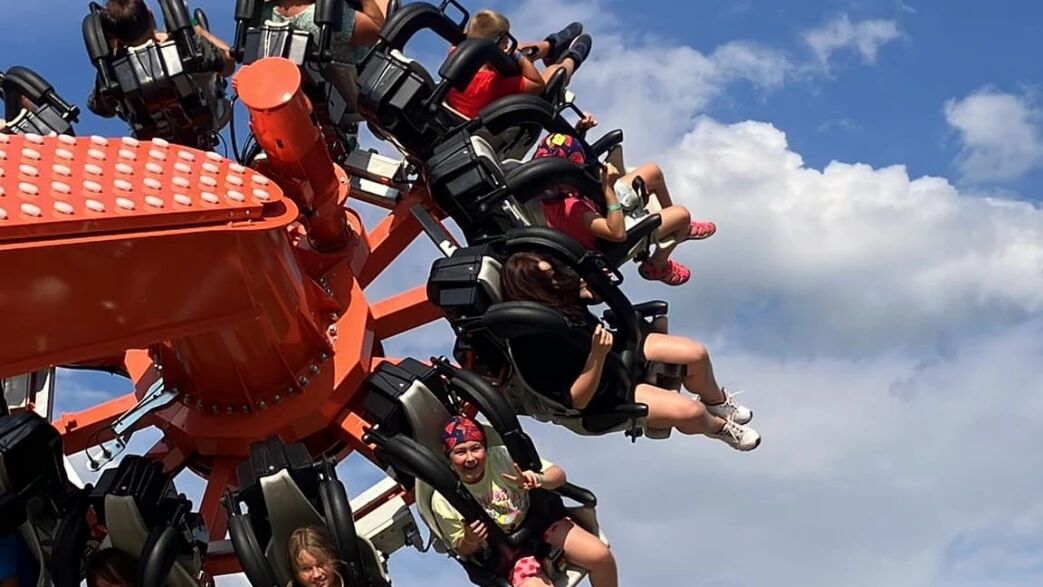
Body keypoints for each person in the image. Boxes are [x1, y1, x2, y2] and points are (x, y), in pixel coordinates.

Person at [501, 251, 760, 450]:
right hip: (601, 395)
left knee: (696, 354)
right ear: (533, 288)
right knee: (691, 412)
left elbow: (588, 294)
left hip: (610, 354)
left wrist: (596, 283)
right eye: (552, 277)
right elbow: (575, 401)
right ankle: (718, 427)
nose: (560, 279)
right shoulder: (531, 344)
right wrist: (597, 356)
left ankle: (717, 403)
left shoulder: (558, 298)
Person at [431, 416, 618, 587]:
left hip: (541, 523)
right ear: (449, 457)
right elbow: (462, 550)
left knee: (600, 556)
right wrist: (471, 539)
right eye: (460, 452)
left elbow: (558, 475)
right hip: (507, 552)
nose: (470, 458)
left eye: (475, 449)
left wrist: (539, 479)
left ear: (485, 449)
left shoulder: (503, 458)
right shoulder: (444, 498)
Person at [532, 126, 716, 286]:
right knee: (682, 215)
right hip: (611, 236)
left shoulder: (548, 191)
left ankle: (675, 227)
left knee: (653, 172)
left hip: (599, 207)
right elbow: (616, 234)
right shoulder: (572, 208)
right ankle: (658, 263)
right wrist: (608, 189)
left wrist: (581, 131)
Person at [87, 0, 235, 118]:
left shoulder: (114, 71)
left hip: (152, 137)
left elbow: (102, 109)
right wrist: (200, 32)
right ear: (150, 15)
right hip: (206, 116)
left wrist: (111, 52)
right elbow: (229, 66)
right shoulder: (186, 48)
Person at [445, 10, 592, 119]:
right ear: (502, 40)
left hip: (461, 108)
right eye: (506, 39)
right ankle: (571, 60)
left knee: (517, 49)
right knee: (554, 71)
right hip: (496, 115)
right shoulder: (490, 84)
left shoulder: (455, 54)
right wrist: (517, 56)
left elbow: (473, 37)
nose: (508, 43)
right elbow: (537, 84)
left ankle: (550, 46)